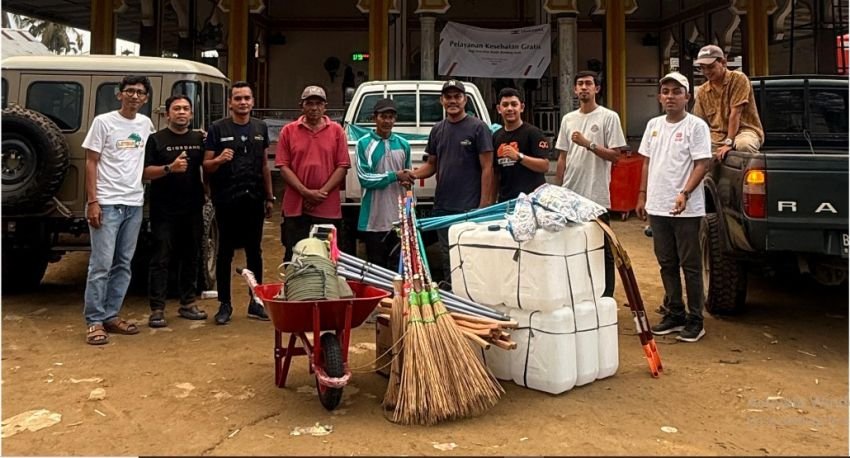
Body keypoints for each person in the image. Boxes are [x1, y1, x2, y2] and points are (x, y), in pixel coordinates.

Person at [635, 72, 712, 343]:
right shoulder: (653, 125)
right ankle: (675, 312)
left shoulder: (696, 126)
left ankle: (695, 319)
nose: (670, 96)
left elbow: (702, 163)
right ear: (659, 96)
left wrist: (685, 193)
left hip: (686, 209)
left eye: (676, 92)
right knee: (666, 262)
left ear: (687, 97)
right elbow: (646, 162)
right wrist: (642, 195)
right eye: (665, 91)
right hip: (657, 206)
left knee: (690, 264)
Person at [82, 75, 155, 345]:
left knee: (123, 264)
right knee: (101, 265)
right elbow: (91, 162)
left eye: (140, 93)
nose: (134, 96)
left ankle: (111, 316)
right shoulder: (103, 122)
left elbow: (154, 153)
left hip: (134, 203)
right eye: (130, 91)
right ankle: (94, 321)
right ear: (119, 94)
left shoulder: (145, 124)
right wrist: (93, 201)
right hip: (107, 202)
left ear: (146, 99)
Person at [411, 79, 495, 287]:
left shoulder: (478, 128)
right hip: (442, 206)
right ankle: (452, 295)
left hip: (469, 207)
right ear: (442, 101)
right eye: (448, 97)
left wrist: (484, 205)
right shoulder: (437, 130)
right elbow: (431, 165)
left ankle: (472, 296)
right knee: (448, 256)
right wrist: (411, 175)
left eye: (457, 96)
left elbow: (488, 168)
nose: (453, 101)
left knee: (469, 254)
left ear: (465, 100)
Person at [203, 81, 274, 325]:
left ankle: (257, 300)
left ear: (253, 102)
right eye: (238, 98)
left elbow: (265, 164)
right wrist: (221, 159)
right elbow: (206, 165)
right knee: (225, 252)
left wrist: (269, 196)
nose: (242, 102)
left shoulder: (260, 128)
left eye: (246, 98)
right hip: (226, 199)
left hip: (253, 199)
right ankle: (225, 304)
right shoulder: (217, 129)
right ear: (230, 103)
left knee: (255, 251)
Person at [554, 70, 627, 298]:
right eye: (580, 84)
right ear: (575, 90)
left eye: (588, 84)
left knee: (602, 248)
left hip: (595, 196)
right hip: (570, 196)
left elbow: (616, 156)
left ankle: (605, 295)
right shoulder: (568, 119)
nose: (584, 88)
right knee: (573, 246)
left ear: (597, 89)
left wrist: (589, 144)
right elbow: (562, 157)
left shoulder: (608, 117)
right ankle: (579, 293)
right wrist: (558, 191)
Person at [142, 94, 207, 328]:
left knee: (191, 255)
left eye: (186, 109)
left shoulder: (200, 138)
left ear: (191, 114)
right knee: (160, 257)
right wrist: (171, 168)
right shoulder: (156, 140)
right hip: (164, 210)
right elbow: (145, 172)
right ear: (167, 113)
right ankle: (157, 309)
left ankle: (188, 302)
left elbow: (207, 166)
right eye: (176, 108)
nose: (181, 112)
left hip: (193, 207)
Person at [276, 85, 350, 263]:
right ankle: (295, 291)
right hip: (295, 207)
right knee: (294, 256)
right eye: (310, 103)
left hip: (328, 207)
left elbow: (342, 166)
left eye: (318, 103)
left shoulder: (336, 131)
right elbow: (283, 166)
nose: (314, 108)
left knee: (326, 258)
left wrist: (321, 193)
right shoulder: (288, 131)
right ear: (302, 105)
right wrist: (305, 192)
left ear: (325, 107)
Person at [354, 98, 412, 270]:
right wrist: (395, 176)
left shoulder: (404, 144)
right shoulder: (363, 144)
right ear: (374, 118)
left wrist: (410, 212)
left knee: (399, 268)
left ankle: (396, 298)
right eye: (383, 116)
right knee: (376, 268)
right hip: (374, 219)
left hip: (398, 220)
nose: (387, 121)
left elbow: (408, 181)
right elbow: (365, 178)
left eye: (391, 117)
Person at [693, 44, 764, 160]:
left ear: (723, 63)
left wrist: (728, 142)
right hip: (716, 136)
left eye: (710, 67)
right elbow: (699, 122)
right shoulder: (702, 91)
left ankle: (750, 174)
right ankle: (707, 178)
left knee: (744, 145)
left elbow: (735, 113)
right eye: (702, 67)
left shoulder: (738, 79)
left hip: (744, 131)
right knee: (695, 152)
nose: (706, 71)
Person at [492, 87, 550, 202]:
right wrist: (491, 202)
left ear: (522, 107)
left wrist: (519, 157)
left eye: (514, 104)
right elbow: (495, 173)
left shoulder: (533, 133)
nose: (510, 109)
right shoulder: (496, 136)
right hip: (506, 202)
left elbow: (545, 166)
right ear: (499, 109)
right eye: (505, 105)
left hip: (532, 201)